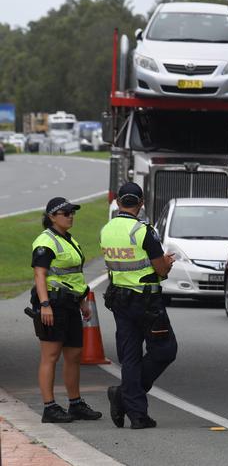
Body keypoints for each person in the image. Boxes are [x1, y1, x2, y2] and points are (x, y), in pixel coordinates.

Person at [100, 182, 177, 429]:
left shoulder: (107, 230)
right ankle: (124, 396)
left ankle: (137, 414)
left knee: (130, 358)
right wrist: (167, 263)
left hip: (120, 300)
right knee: (165, 349)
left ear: (119, 202)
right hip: (147, 302)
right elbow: (160, 269)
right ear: (141, 202)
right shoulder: (143, 230)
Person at [31, 197, 102, 423]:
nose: (70, 216)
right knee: (50, 356)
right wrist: (45, 305)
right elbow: (40, 275)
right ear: (52, 216)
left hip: (70, 303)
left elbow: (73, 275)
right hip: (53, 303)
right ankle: (49, 407)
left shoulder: (69, 239)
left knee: (74, 355)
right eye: (65, 213)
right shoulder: (45, 242)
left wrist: (82, 302)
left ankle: (75, 403)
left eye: (72, 212)